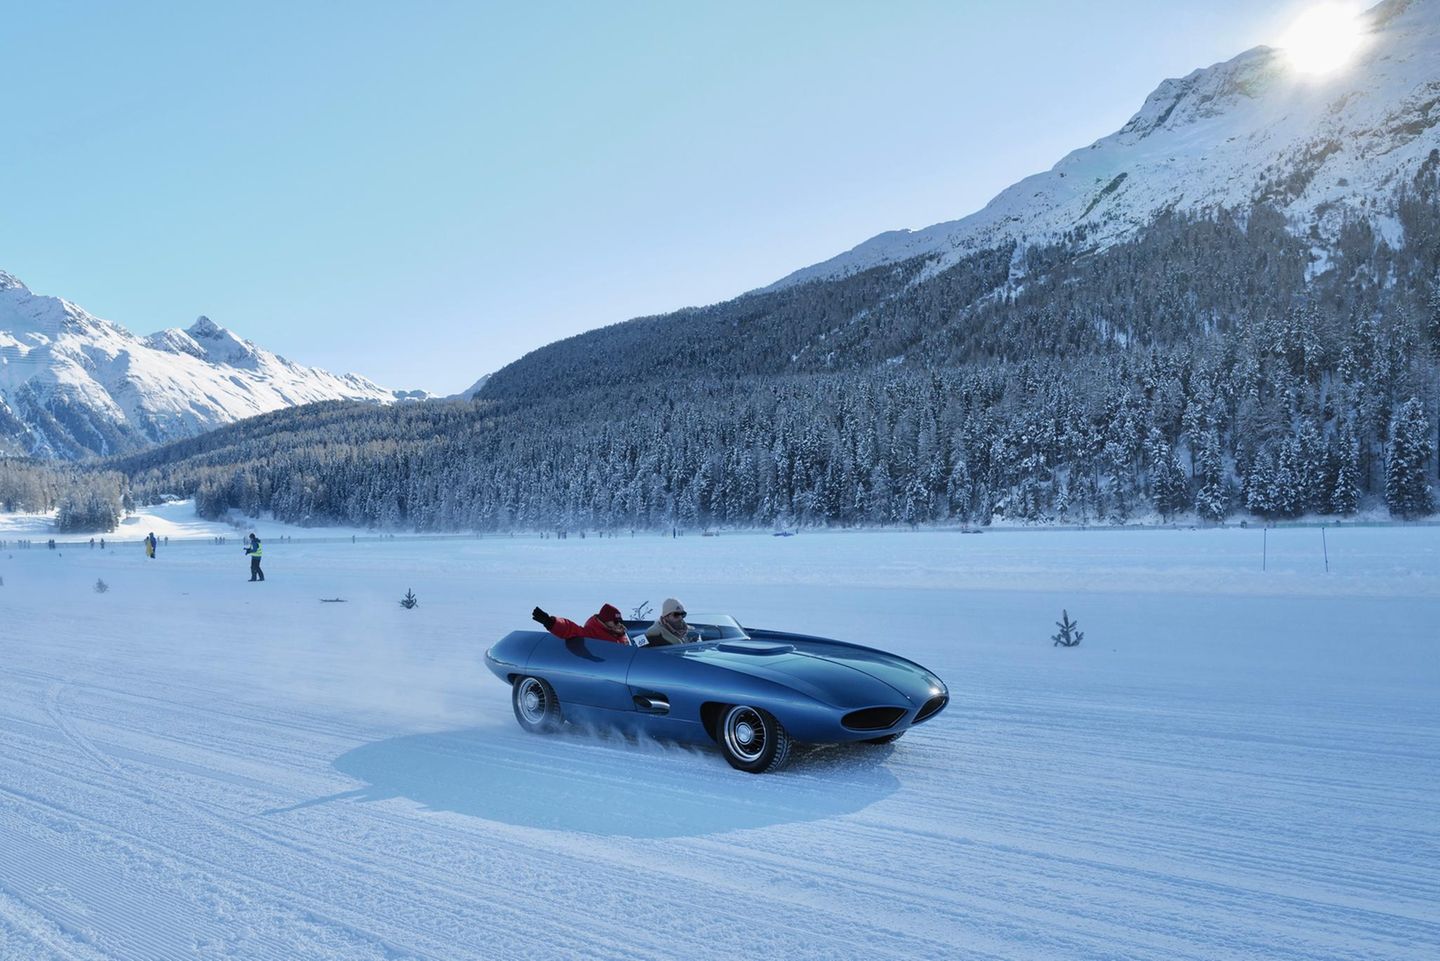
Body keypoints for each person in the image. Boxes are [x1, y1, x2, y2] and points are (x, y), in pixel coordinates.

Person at [531, 603, 628, 644]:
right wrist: (551, 622)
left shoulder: (623, 636)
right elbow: (570, 629)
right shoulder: (591, 634)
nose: (619, 624)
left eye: (620, 621)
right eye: (616, 621)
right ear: (605, 622)